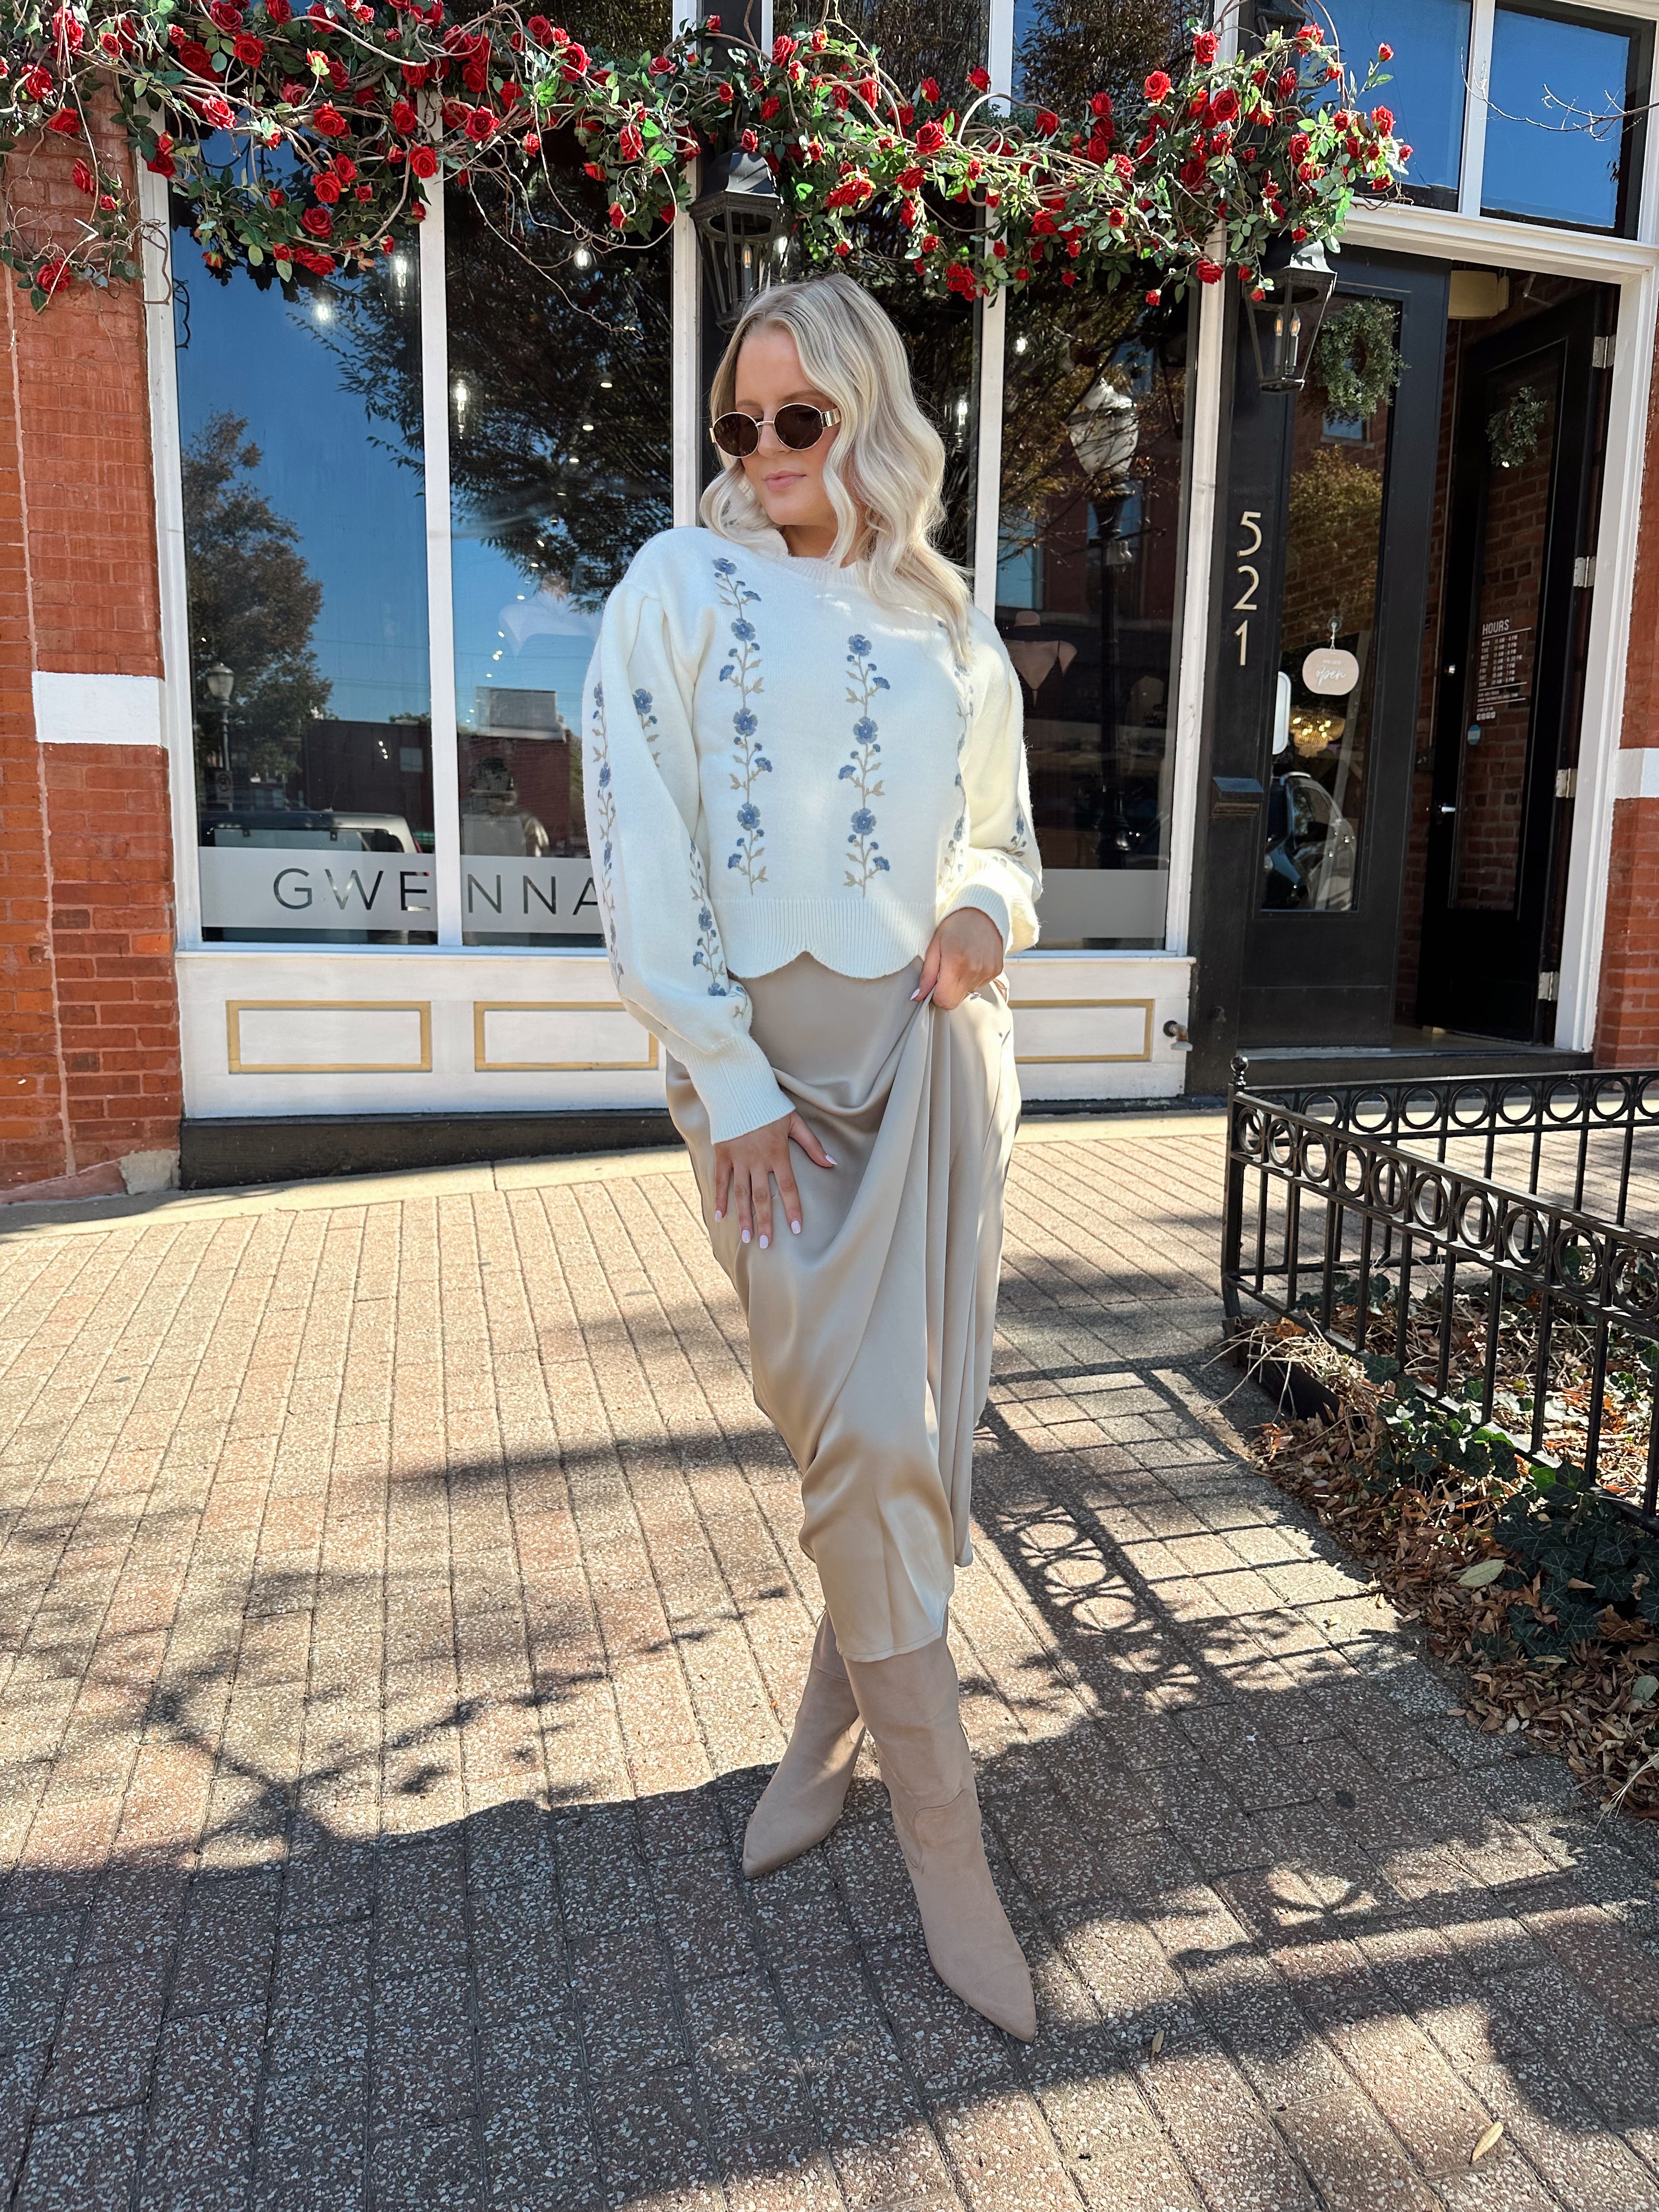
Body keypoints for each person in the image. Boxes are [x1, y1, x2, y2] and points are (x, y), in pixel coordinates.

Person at [580, 272, 1041, 2040]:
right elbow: (638, 843)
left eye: (798, 421)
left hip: (928, 1067)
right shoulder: (675, 590)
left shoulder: (944, 617)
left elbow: (998, 836)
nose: (763, 455)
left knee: (906, 1441)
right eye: (738, 425)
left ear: (866, 416)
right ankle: (951, 1843)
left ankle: (824, 1750)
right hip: (766, 1093)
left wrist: (986, 915)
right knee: (854, 1433)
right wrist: (727, 1075)